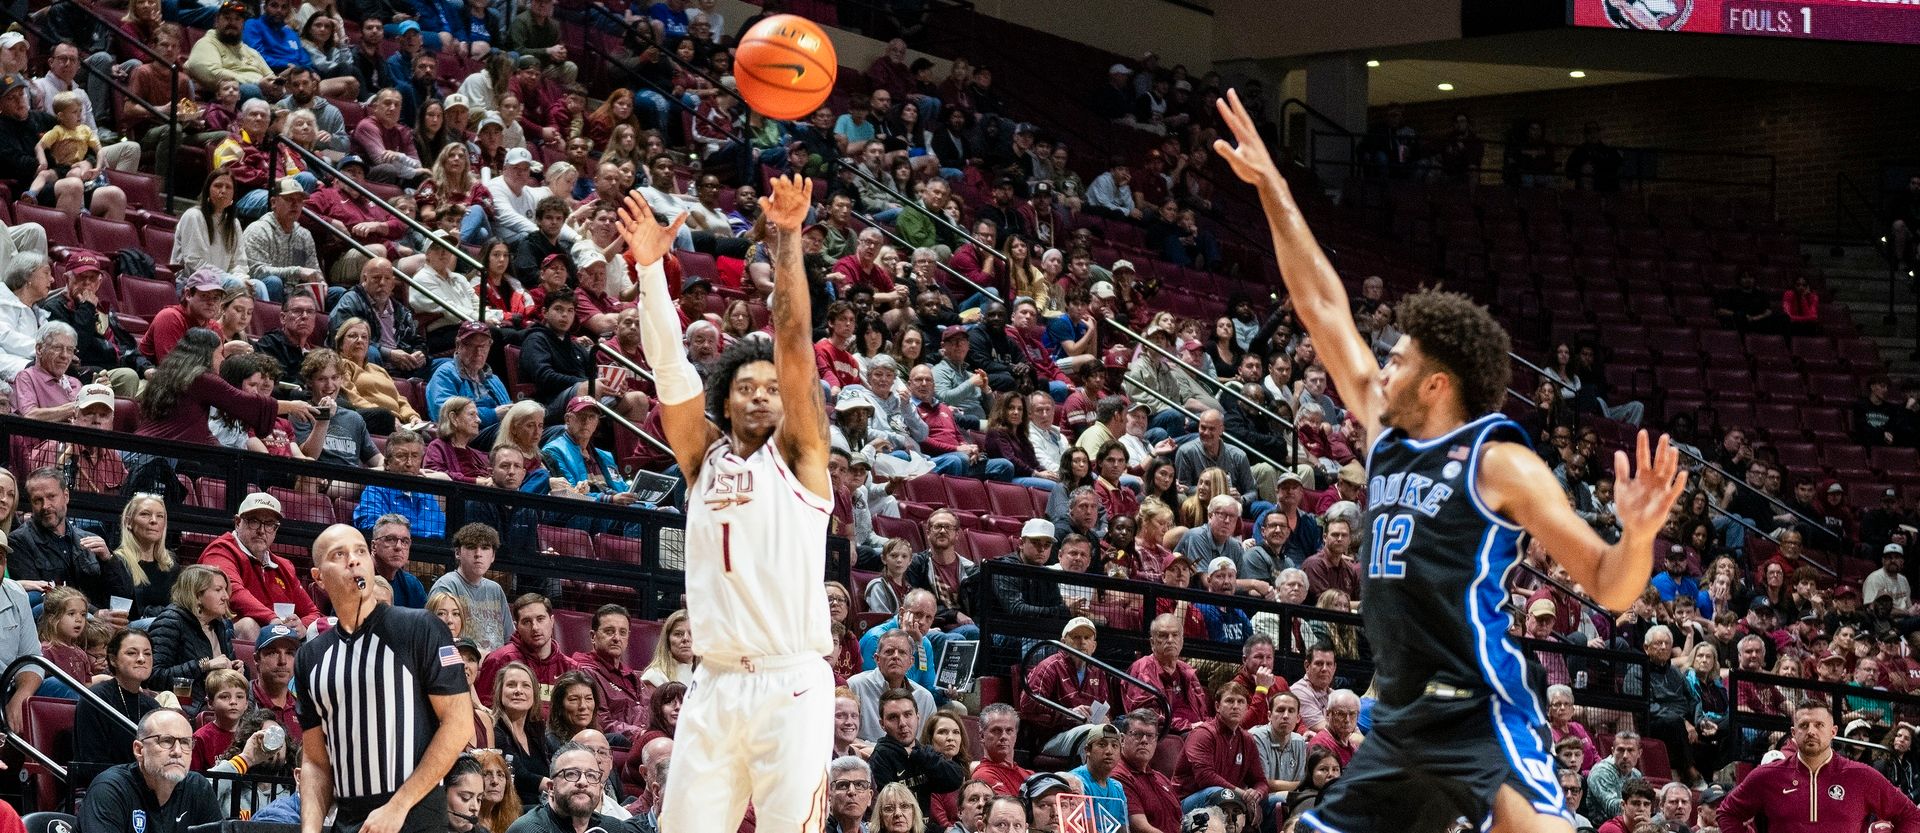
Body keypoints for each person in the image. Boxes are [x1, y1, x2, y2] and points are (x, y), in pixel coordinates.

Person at [1212, 89, 1688, 833]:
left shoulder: (1498, 461)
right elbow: (1322, 307)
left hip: (1477, 705)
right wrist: (1276, 191)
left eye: (1397, 360)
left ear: (1438, 382)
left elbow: (1608, 585)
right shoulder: (1385, 430)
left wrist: (1637, 535)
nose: (1381, 368)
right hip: (1402, 714)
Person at [614, 174, 835, 831]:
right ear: (728, 398)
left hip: (789, 683)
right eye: (748, 385)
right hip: (712, 682)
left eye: (773, 387)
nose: (764, 393)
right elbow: (671, 370)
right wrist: (651, 271)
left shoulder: (801, 458)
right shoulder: (701, 456)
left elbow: (794, 342)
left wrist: (787, 239)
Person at [297, 524, 472, 833]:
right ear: (318, 578)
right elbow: (315, 761)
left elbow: (459, 725)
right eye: (339, 554)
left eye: (360, 551)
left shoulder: (420, 627)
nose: (353, 560)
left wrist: (398, 805)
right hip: (347, 821)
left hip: (413, 817)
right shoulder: (310, 657)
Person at [1716, 702, 1920, 832]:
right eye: (1804, 726)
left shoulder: (1861, 776)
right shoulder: (1766, 776)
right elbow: (1727, 812)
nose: (1811, 731)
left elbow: (1911, 816)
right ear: (1793, 734)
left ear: (1833, 732)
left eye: (1819, 725)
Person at [195, 492, 320, 641]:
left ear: (275, 530)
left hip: (276, 641)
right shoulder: (220, 551)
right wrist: (272, 619)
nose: (261, 530)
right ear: (237, 522)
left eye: (269, 524)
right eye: (253, 521)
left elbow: (313, 612)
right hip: (219, 637)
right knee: (249, 625)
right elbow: (231, 590)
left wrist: (302, 626)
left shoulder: (284, 566)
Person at [78, 709, 221, 833]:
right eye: (166, 741)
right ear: (139, 750)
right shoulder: (109, 789)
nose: (177, 751)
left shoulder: (198, 787)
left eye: (185, 742)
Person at [74, 628, 160, 786]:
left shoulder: (153, 706)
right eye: (132, 653)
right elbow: (93, 763)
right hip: (105, 788)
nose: (142, 659)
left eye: (147, 653)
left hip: (145, 787)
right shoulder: (95, 699)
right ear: (113, 660)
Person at [870, 687, 965, 817]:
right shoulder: (880, 758)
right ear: (882, 724)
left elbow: (955, 779)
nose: (902, 723)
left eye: (908, 714)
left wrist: (919, 755)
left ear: (918, 717)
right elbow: (892, 813)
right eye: (893, 717)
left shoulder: (923, 752)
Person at [503, 744, 620, 833]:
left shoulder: (609, 827)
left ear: (600, 789)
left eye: (591, 775)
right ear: (551, 787)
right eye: (571, 774)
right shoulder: (531, 829)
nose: (583, 782)